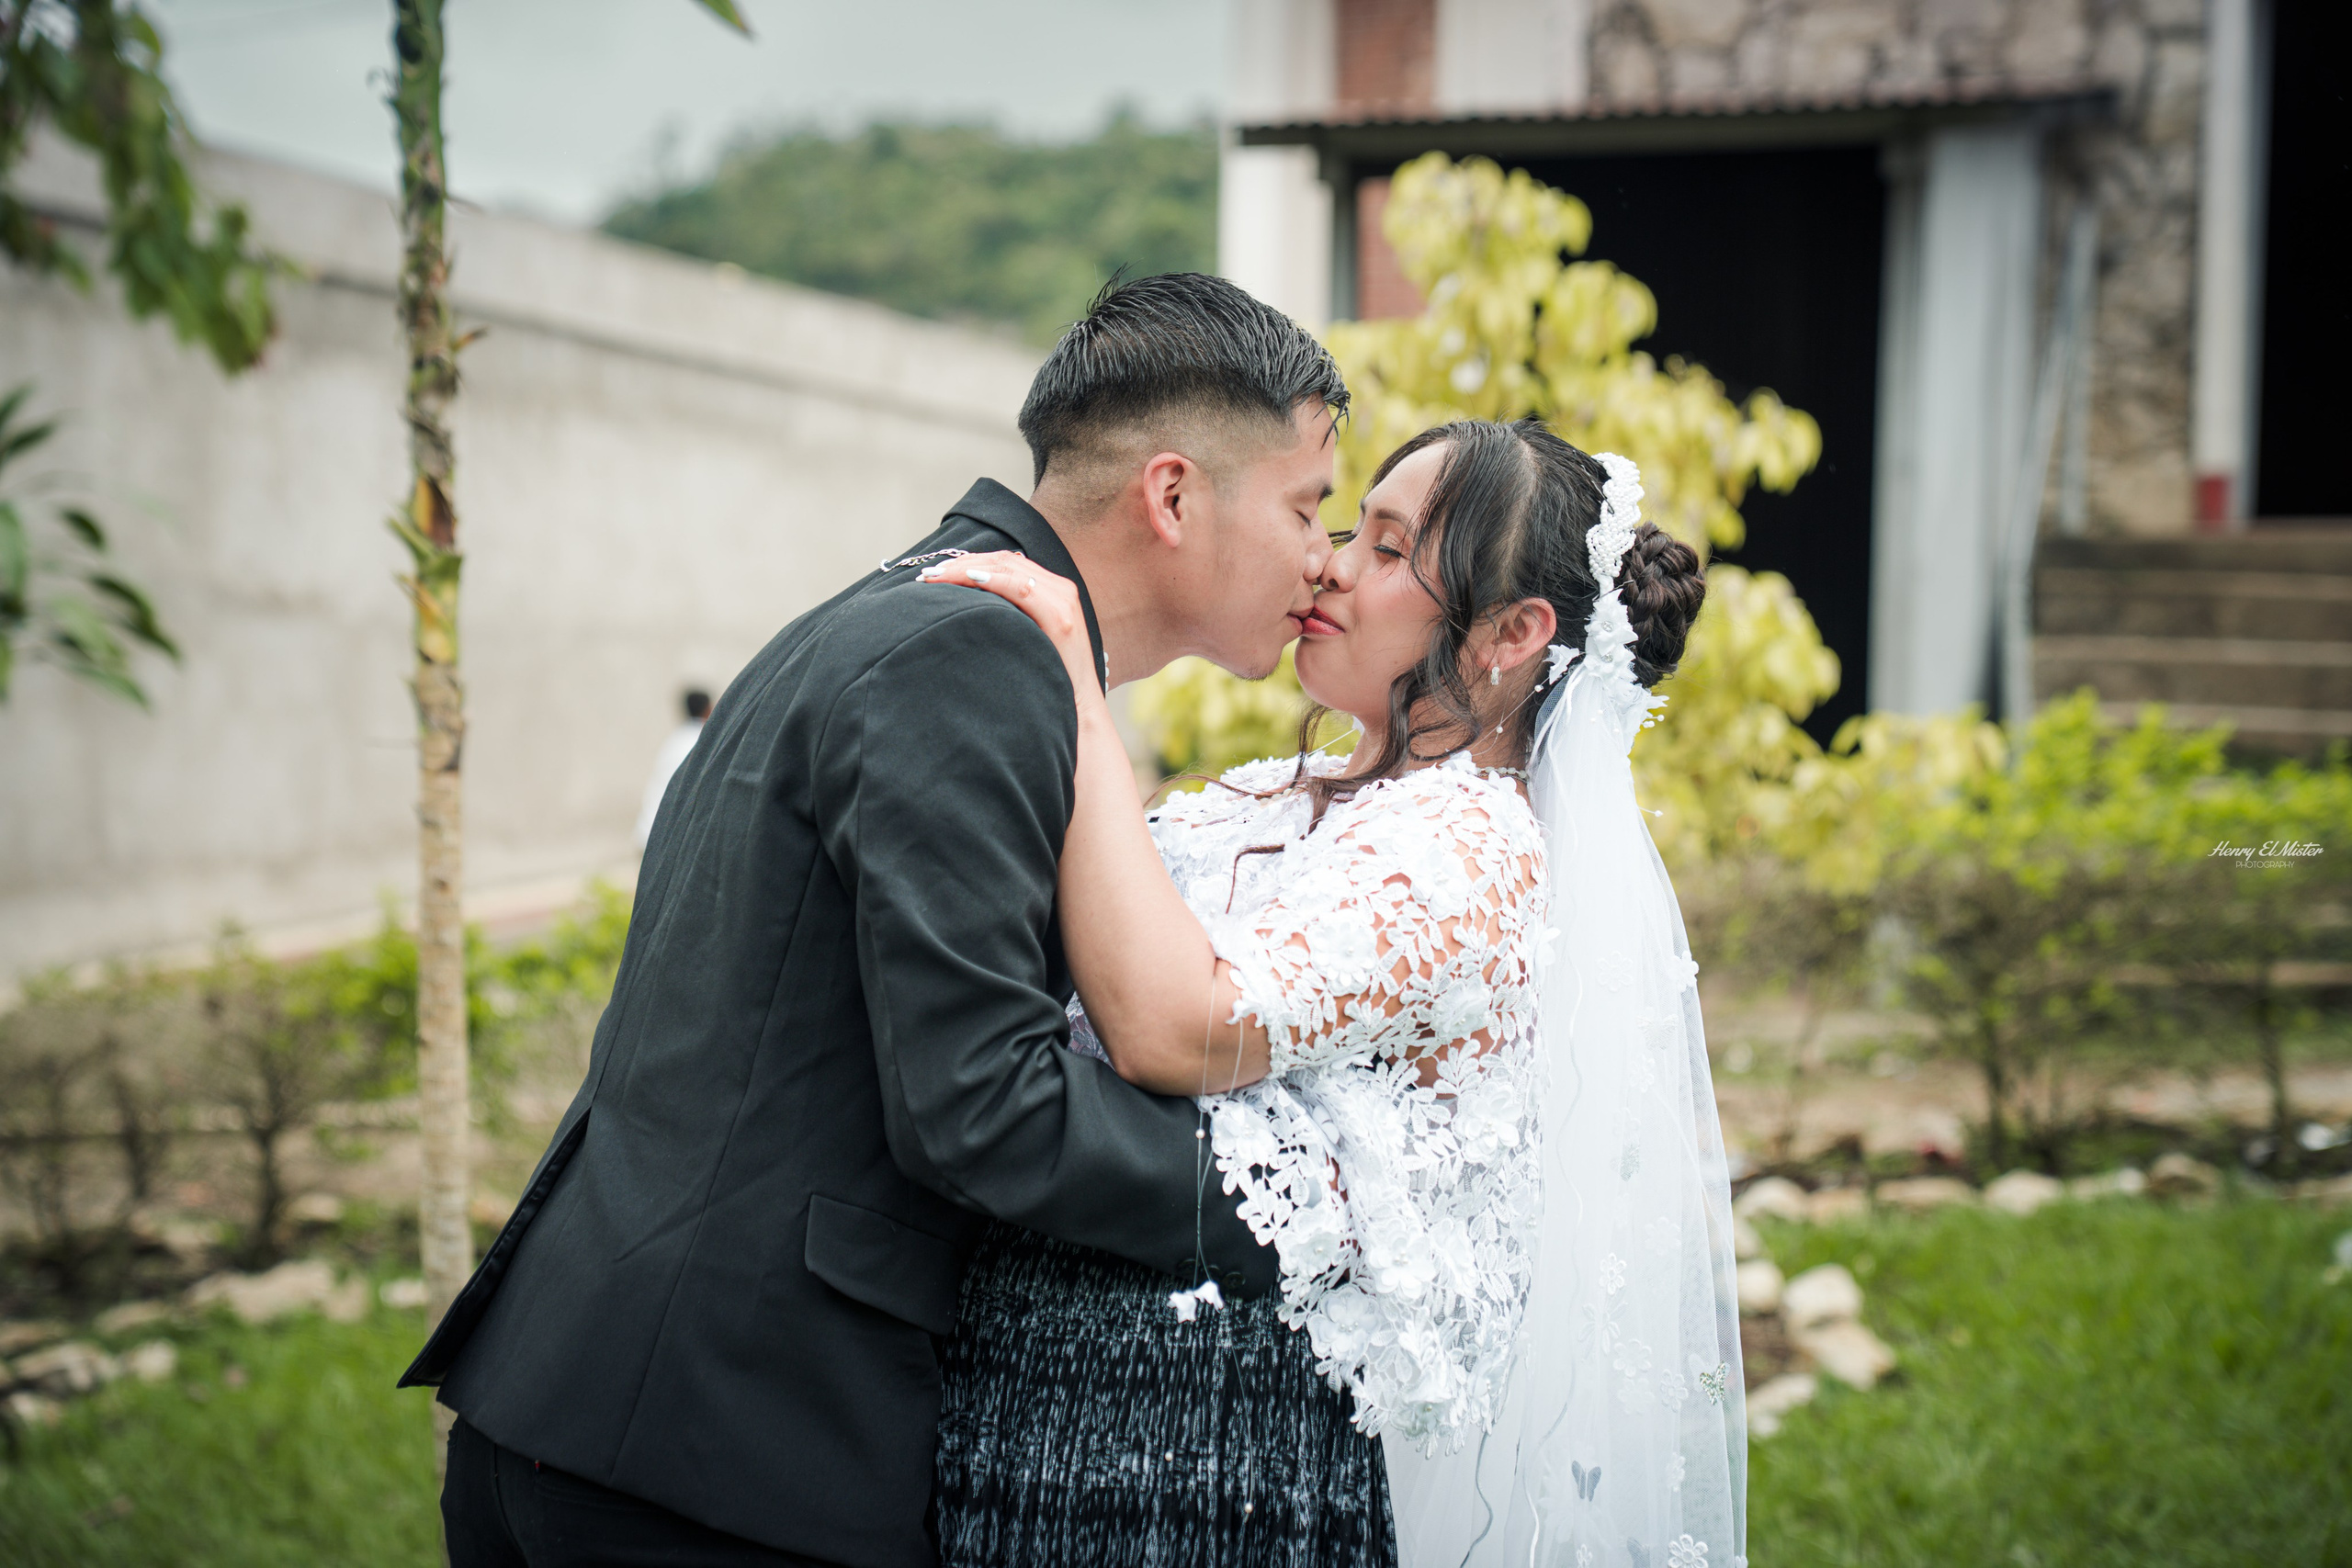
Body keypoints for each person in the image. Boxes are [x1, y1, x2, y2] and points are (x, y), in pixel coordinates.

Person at [399, 273, 1350, 1568]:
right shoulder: (973, 655)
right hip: (705, 1460)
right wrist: (1303, 1204)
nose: (1324, 557)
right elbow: (983, 1105)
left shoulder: (900, 615)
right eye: (1307, 506)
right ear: (1173, 496)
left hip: (612, 1421)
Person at [926, 419, 1747, 1568]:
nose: (1331, 566)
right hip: (1037, 1386)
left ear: (1513, 633)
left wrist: (1075, 686)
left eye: (1390, 549)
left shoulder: (1466, 848)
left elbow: (1178, 1030)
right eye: (1351, 529)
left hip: (1204, 1449)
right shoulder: (1283, 793)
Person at [634, 687, 710, 850]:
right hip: (666, 839)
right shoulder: (701, 742)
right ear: (708, 709)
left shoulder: (674, 740)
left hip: (648, 831)